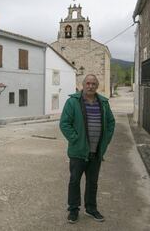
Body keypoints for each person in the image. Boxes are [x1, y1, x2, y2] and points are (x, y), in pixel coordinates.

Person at [59, 74, 115, 224]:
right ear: (83, 85)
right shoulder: (73, 102)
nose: (91, 86)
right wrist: (76, 139)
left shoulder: (103, 103)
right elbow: (64, 123)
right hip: (78, 152)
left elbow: (110, 123)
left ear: (97, 86)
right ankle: (73, 210)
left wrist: (105, 141)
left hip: (96, 152)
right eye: (88, 83)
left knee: (92, 182)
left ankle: (91, 208)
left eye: (94, 84)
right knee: (74, 181)